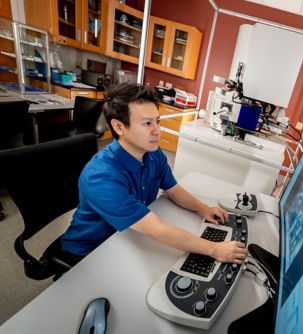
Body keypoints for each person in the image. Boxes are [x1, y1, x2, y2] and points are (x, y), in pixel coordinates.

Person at [59, 83, 248, 266]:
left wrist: (203, 208)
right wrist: (215, 249)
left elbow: (173, 190)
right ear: (119, 127)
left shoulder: (153, 154)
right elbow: (157, 229)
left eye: (157, 121)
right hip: (90, 251)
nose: (157, 130)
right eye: (147, 123)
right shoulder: (101, 177)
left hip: (128, 236)